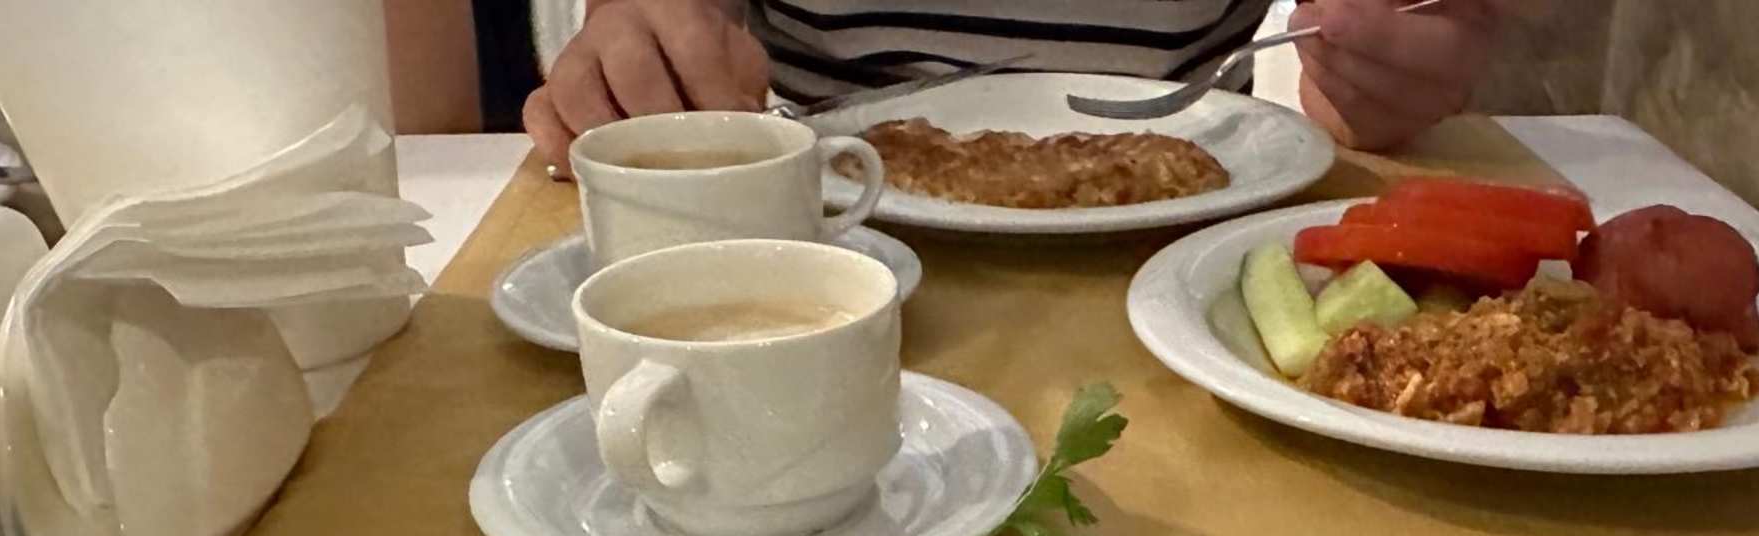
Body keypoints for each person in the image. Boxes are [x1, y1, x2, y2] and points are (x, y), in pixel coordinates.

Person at [522, 0, 1506, 165]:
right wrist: (640, 49)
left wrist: (1389, 55)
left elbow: (1408, 25)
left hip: (1203, 216)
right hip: (823, 219)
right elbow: (660, 17)